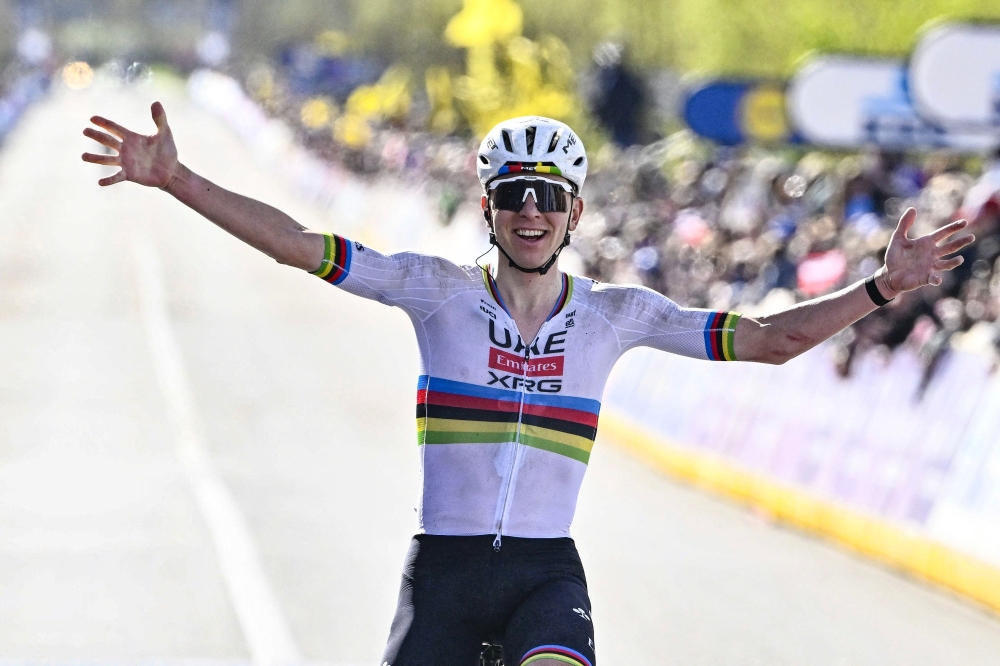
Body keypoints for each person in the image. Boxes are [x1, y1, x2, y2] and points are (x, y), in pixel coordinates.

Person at [83, 105, 974, 666]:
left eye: (549, 196)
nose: (532, 211)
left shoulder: (619, 314)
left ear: (577, 212)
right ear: (489, 207)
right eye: (514, 194)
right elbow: (295, 244)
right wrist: (178, 180)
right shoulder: (432, 292)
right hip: (445, 573)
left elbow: (774, 341)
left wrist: (885, 287)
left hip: (547, 575)